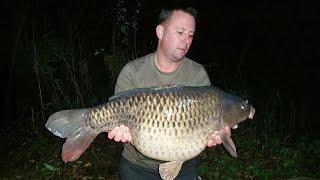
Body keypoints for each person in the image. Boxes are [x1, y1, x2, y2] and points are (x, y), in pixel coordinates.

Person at [107, 7, 235, 179]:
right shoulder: (132, 72)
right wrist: (124, 134)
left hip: (184, 166)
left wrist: (212, 135)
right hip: (136, 166)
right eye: (180, 32)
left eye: (190, 35)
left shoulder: (197, 74)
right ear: (160, 31)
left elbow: (207, 128)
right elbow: (121, 122)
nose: (186, 40)